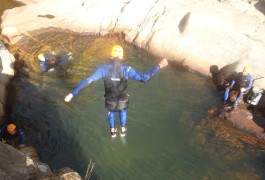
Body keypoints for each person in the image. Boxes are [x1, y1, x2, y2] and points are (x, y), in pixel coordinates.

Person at [64, 45, 168, 137]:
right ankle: (123, 130)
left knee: (111, 112)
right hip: (123, 100)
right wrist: (158, 66)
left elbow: (88, 81)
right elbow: (144, 78)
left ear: (111, 57)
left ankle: (112, 131)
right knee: (123, 110)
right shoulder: (127, 69)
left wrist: (72, 93)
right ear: (122, 57)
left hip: (110, 101)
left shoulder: (103, 69)